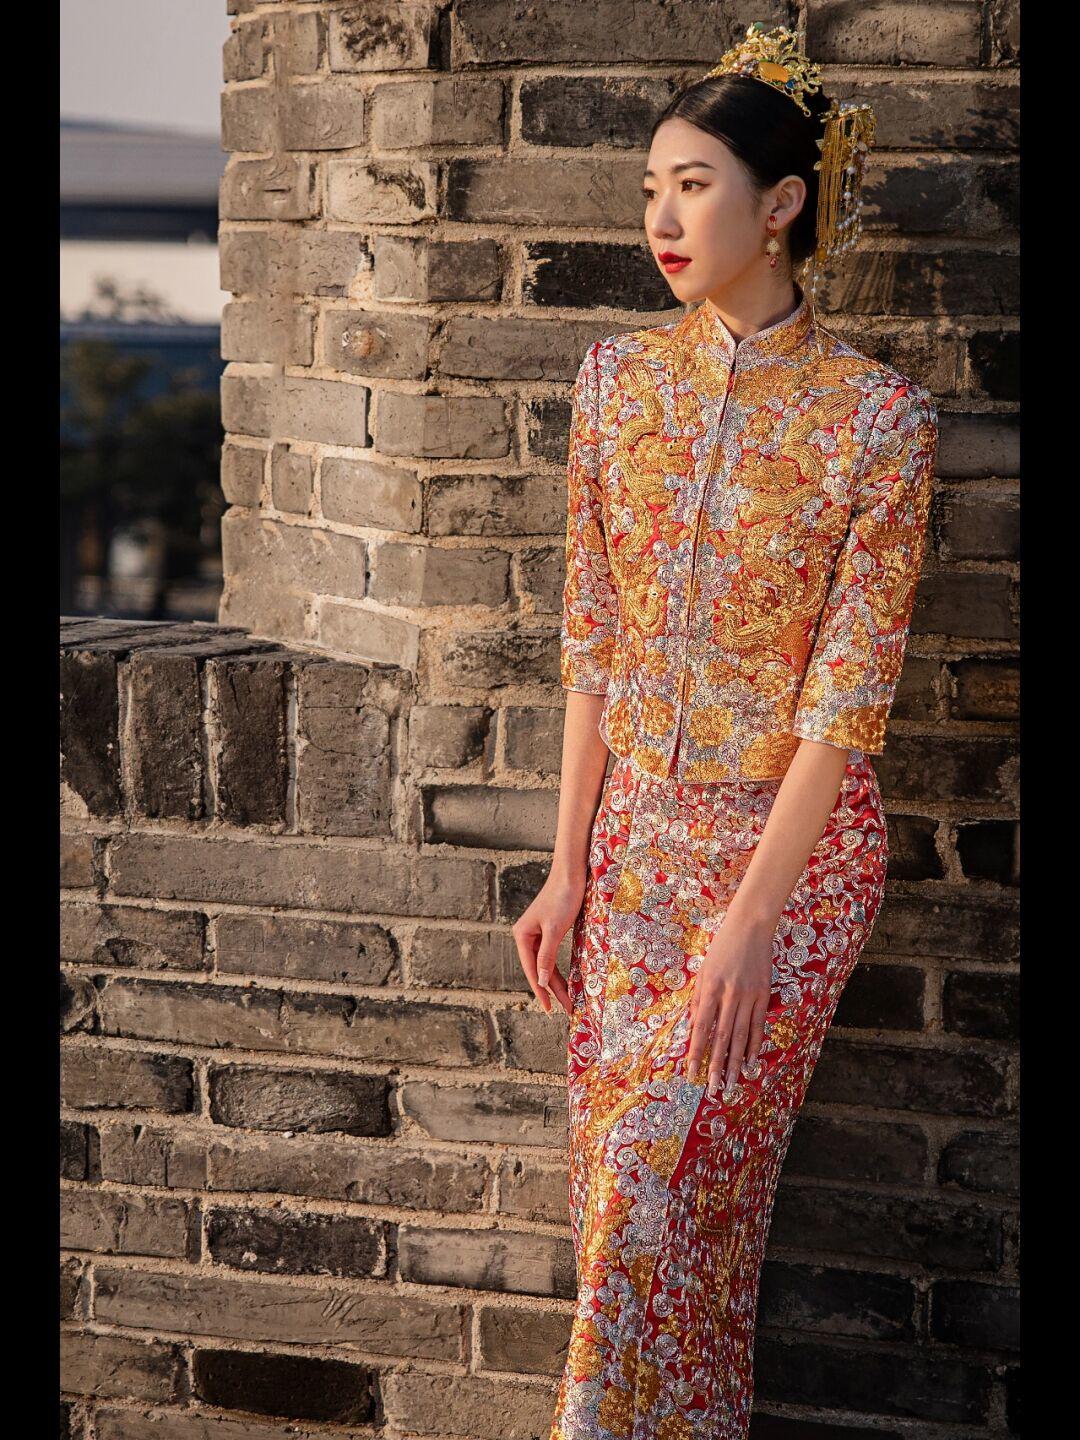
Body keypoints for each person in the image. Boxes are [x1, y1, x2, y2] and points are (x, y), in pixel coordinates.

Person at [511, 23, 939, 1440]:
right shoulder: (614, 386)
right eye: (654, 188)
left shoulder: (879, 420)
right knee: (637, 1228)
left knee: (668, 1193)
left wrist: (756, 920)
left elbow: (846, 702)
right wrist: (567, 867)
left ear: (783, 202)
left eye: (694, 185)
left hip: (791, 873)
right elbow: (593, 645)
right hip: (632, 858)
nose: (663, 217)